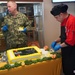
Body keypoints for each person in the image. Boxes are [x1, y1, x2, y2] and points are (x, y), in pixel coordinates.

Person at [50, 4, 75, 75]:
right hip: (66, 50)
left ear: (61, 14)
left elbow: (71, 41)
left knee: (71, 70)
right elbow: (63, 36)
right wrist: (56, 41)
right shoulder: (63, 21)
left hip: (72, 51)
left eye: (56, 17)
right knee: (66, 68)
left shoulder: (72, 21)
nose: (56, 19)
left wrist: (59, 46)